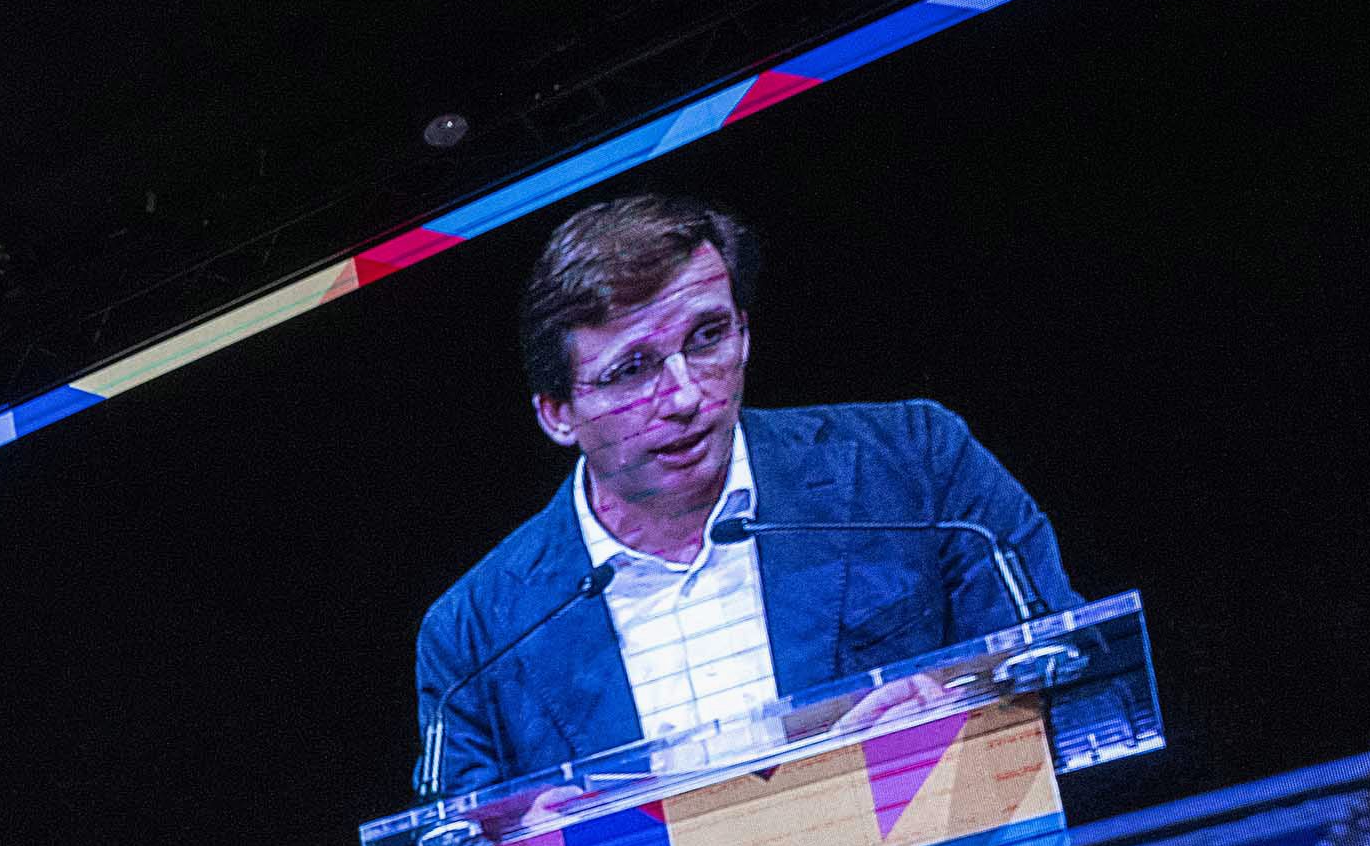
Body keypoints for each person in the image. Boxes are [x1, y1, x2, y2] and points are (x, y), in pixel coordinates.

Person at [411, 192, 1077, 798]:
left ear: (744, 329)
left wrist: (957, 714)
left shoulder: (914, 460)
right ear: (558, 413)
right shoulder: (476, 634)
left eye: (707, 338)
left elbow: (1073, 671)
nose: (686, 395)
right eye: (632, 369)